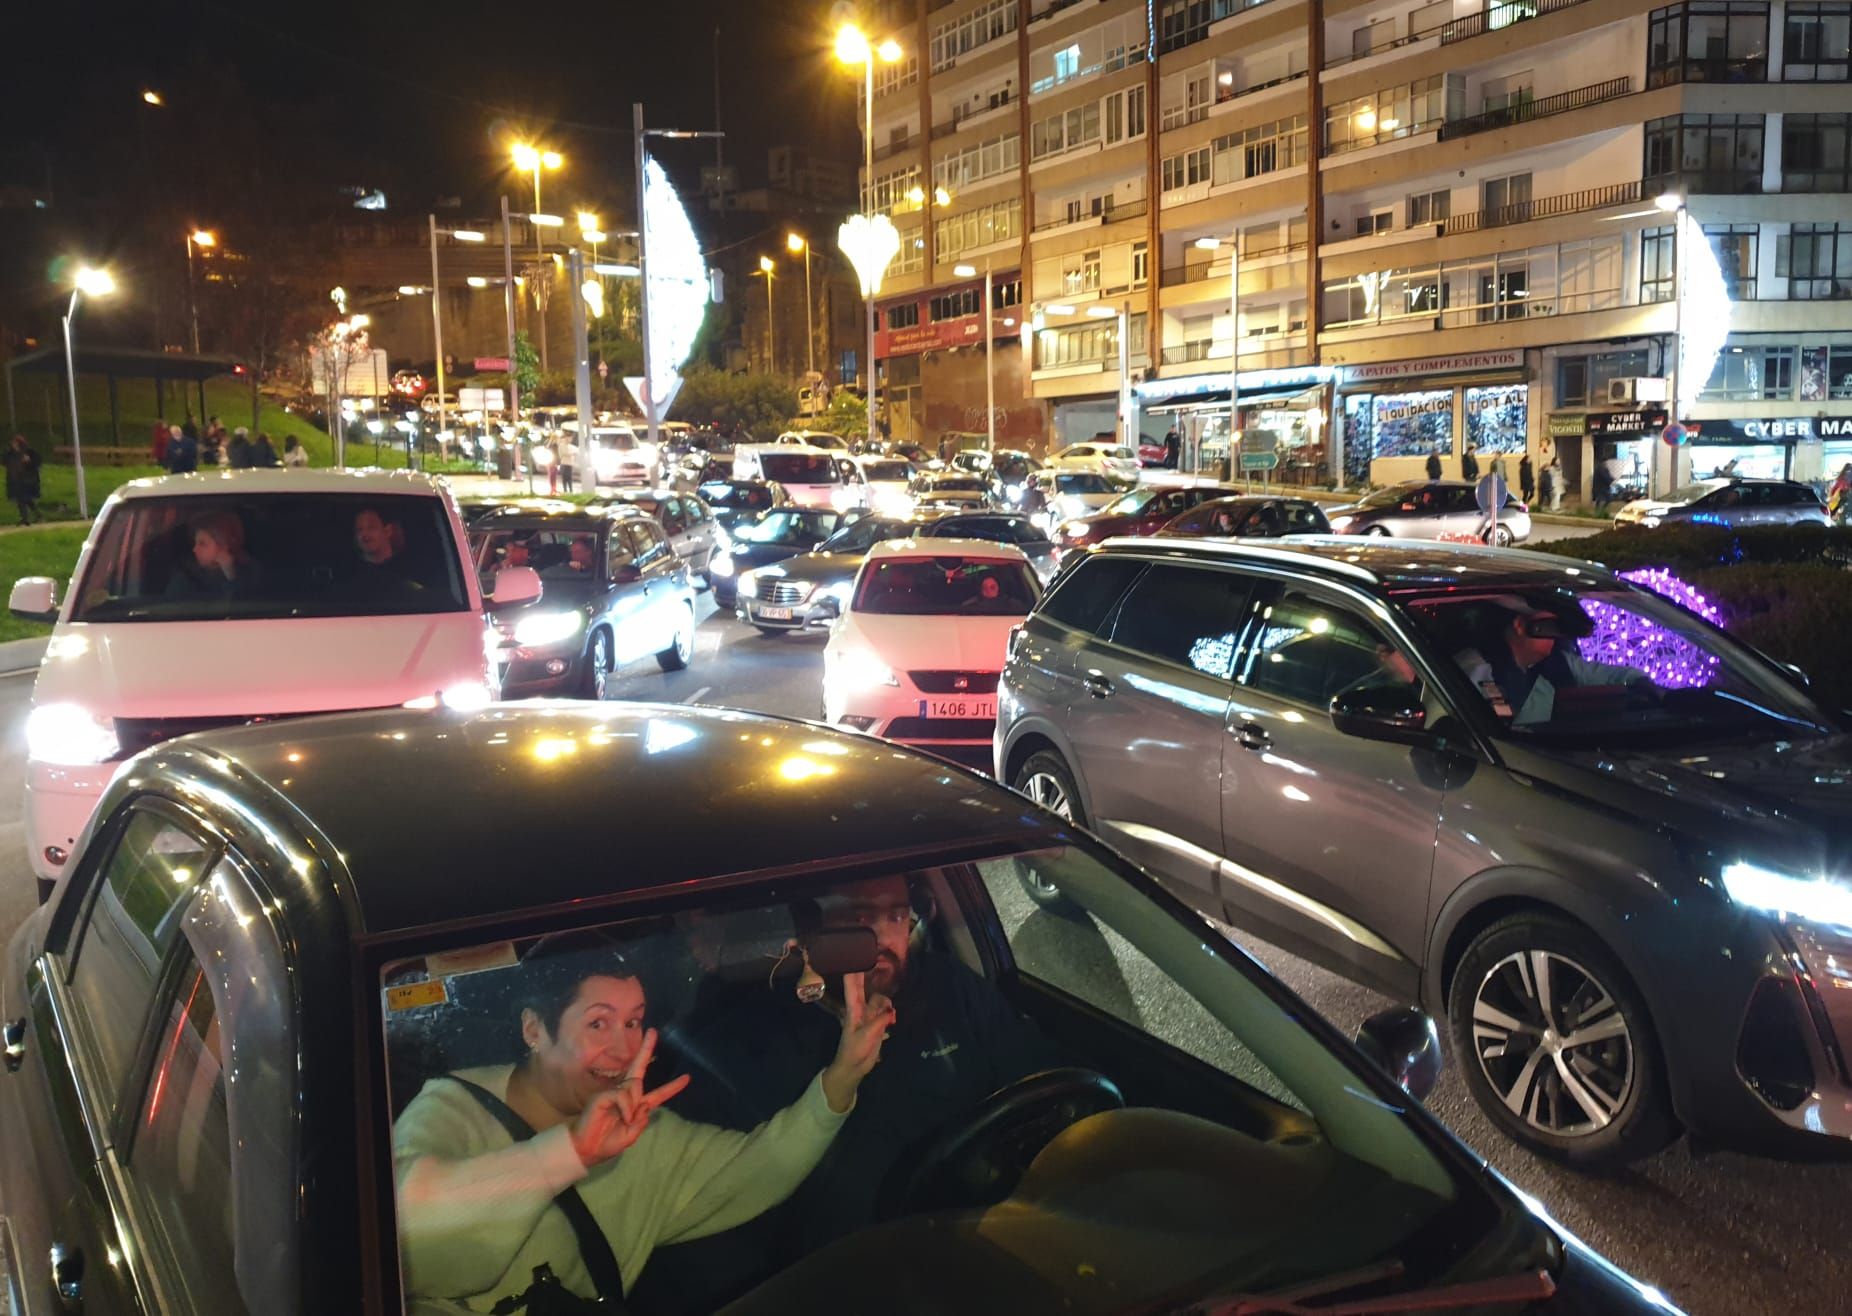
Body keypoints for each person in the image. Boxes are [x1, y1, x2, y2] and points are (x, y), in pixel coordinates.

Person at [391, 934, 892, 1312]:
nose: (624, 1049)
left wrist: (843, 1073)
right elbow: (406, 1248)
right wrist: (567, 1153)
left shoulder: (640, 1135)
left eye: (633, 1022)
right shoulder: (450, 1110)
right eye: (598, 1023)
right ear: (534, 1029)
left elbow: (759, 1168)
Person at [674, 875, 1057, 1264]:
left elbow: (1042, 1081)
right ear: (811, 930)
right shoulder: (754, 1040)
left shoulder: (950, 989)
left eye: (896, 916)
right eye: (859, 918)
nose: (881, 939)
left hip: (983, 1235)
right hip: (850, 1275)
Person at [1452, 598, 1640, 727]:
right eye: (1551, 624)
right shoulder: (1475, 669)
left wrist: (1652, 689)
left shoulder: (1558, 663)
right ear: (1519, 625)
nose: (1556, 634)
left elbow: (1620, 676)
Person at [169, 511, 260, 597]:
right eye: (195, 543)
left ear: (224, 545)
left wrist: (231, 576)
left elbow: (242, 607)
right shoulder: (185, 575)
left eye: (202, 543)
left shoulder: (251, 571)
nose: (195, 549)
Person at [5, 435, 41, 525]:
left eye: (15, 443)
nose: (13, 445)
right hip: (15, 479)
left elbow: (37, 462)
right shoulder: (10, 453)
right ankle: (36, 515)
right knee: (23, 499)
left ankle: (25, 518)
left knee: (23, 498)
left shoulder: (29, 452)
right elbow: (5, 461)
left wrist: (29, 461)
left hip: (27, 479)